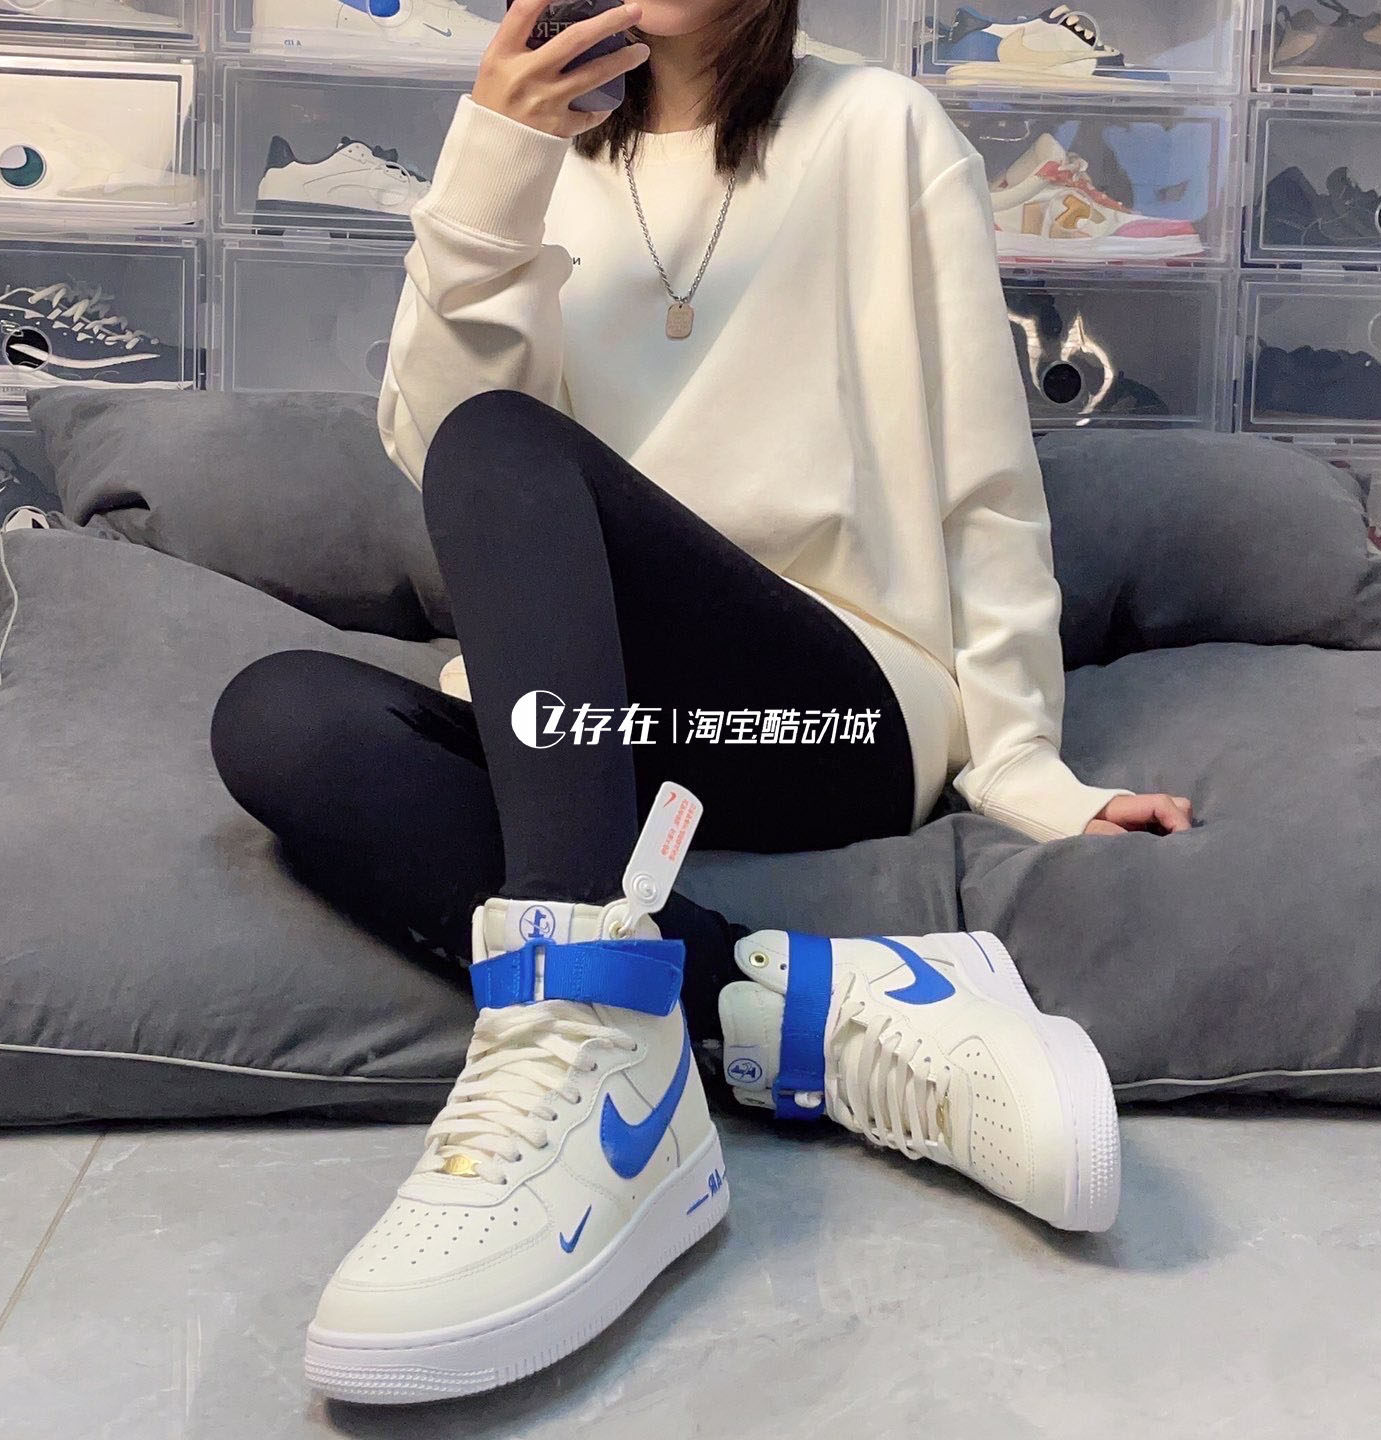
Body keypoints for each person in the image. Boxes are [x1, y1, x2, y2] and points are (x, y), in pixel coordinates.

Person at [209, 0, 1195, 1404]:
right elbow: (439, 457)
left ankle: (598, 1075)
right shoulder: (540, 155)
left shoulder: (882, 130)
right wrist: (491, 169)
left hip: (827, 712)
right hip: (609, 739)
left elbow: (985, 484)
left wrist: (1024, 764)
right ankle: (808, 1011)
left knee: (503, 446)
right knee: (281, 721)